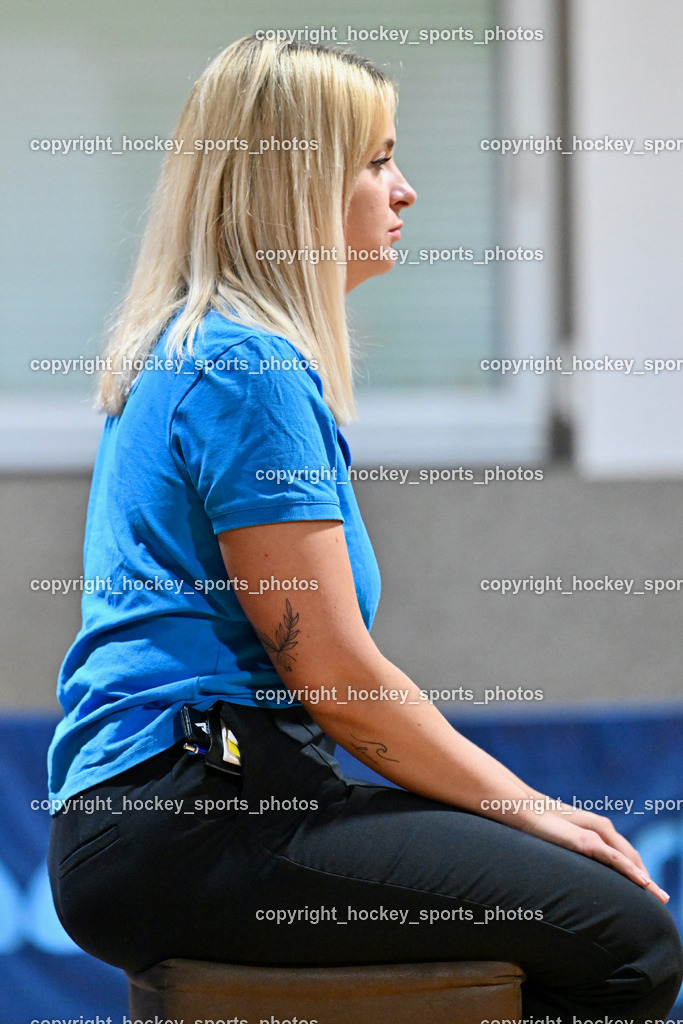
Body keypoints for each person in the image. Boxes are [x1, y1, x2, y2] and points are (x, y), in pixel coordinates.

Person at [47, 35, 683, 1020]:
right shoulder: (244, 370)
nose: (405, 191)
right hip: (186, 823)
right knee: (625, 934)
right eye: (377, 159)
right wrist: (529, 805)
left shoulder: (213, 349)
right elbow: (339, 682)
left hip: (187, 812)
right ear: (294, 189)